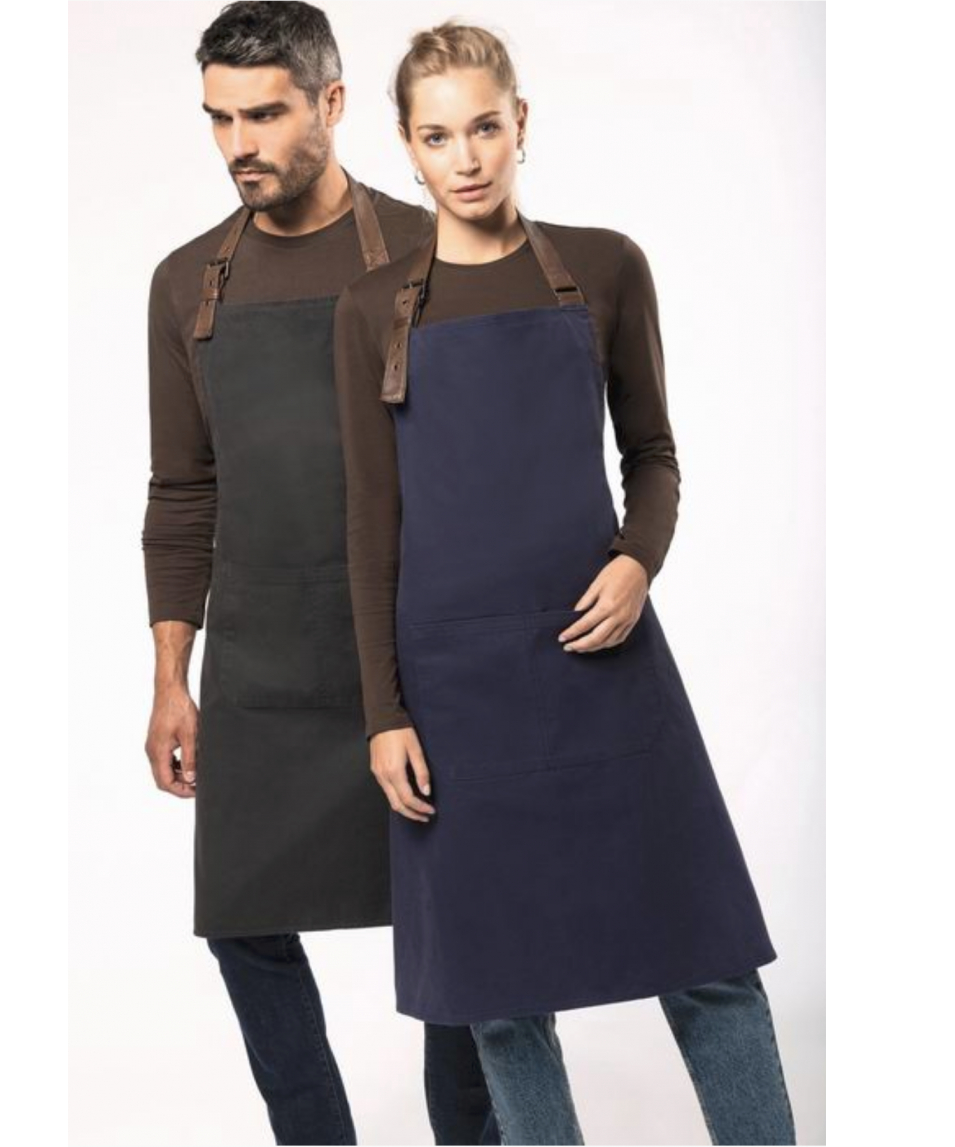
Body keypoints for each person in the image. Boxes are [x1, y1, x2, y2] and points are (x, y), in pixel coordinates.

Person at [333, 22, 797, 1146]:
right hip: (454, 685)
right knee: (499, 997)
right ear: (407, 145)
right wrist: (384, 711)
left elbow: (654, 455)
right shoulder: (371, 311)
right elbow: (371, 524)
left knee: (710, 959)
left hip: (602, 659)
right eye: (438, 137)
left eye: (484, 128)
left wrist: (637, 559)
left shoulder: (604, 267)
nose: (466, 158)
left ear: (521, 124)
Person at [140, 5, 499, 1143]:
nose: (238, 144)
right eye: (219, 119)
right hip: (262, 663)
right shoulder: (186, 283)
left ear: (331, 104)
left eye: (264, 114)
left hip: (414, 651)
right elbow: (181, 491)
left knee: (455, 919)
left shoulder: (429, 249)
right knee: (240, 921)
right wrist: (171, 677)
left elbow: (486, 467)